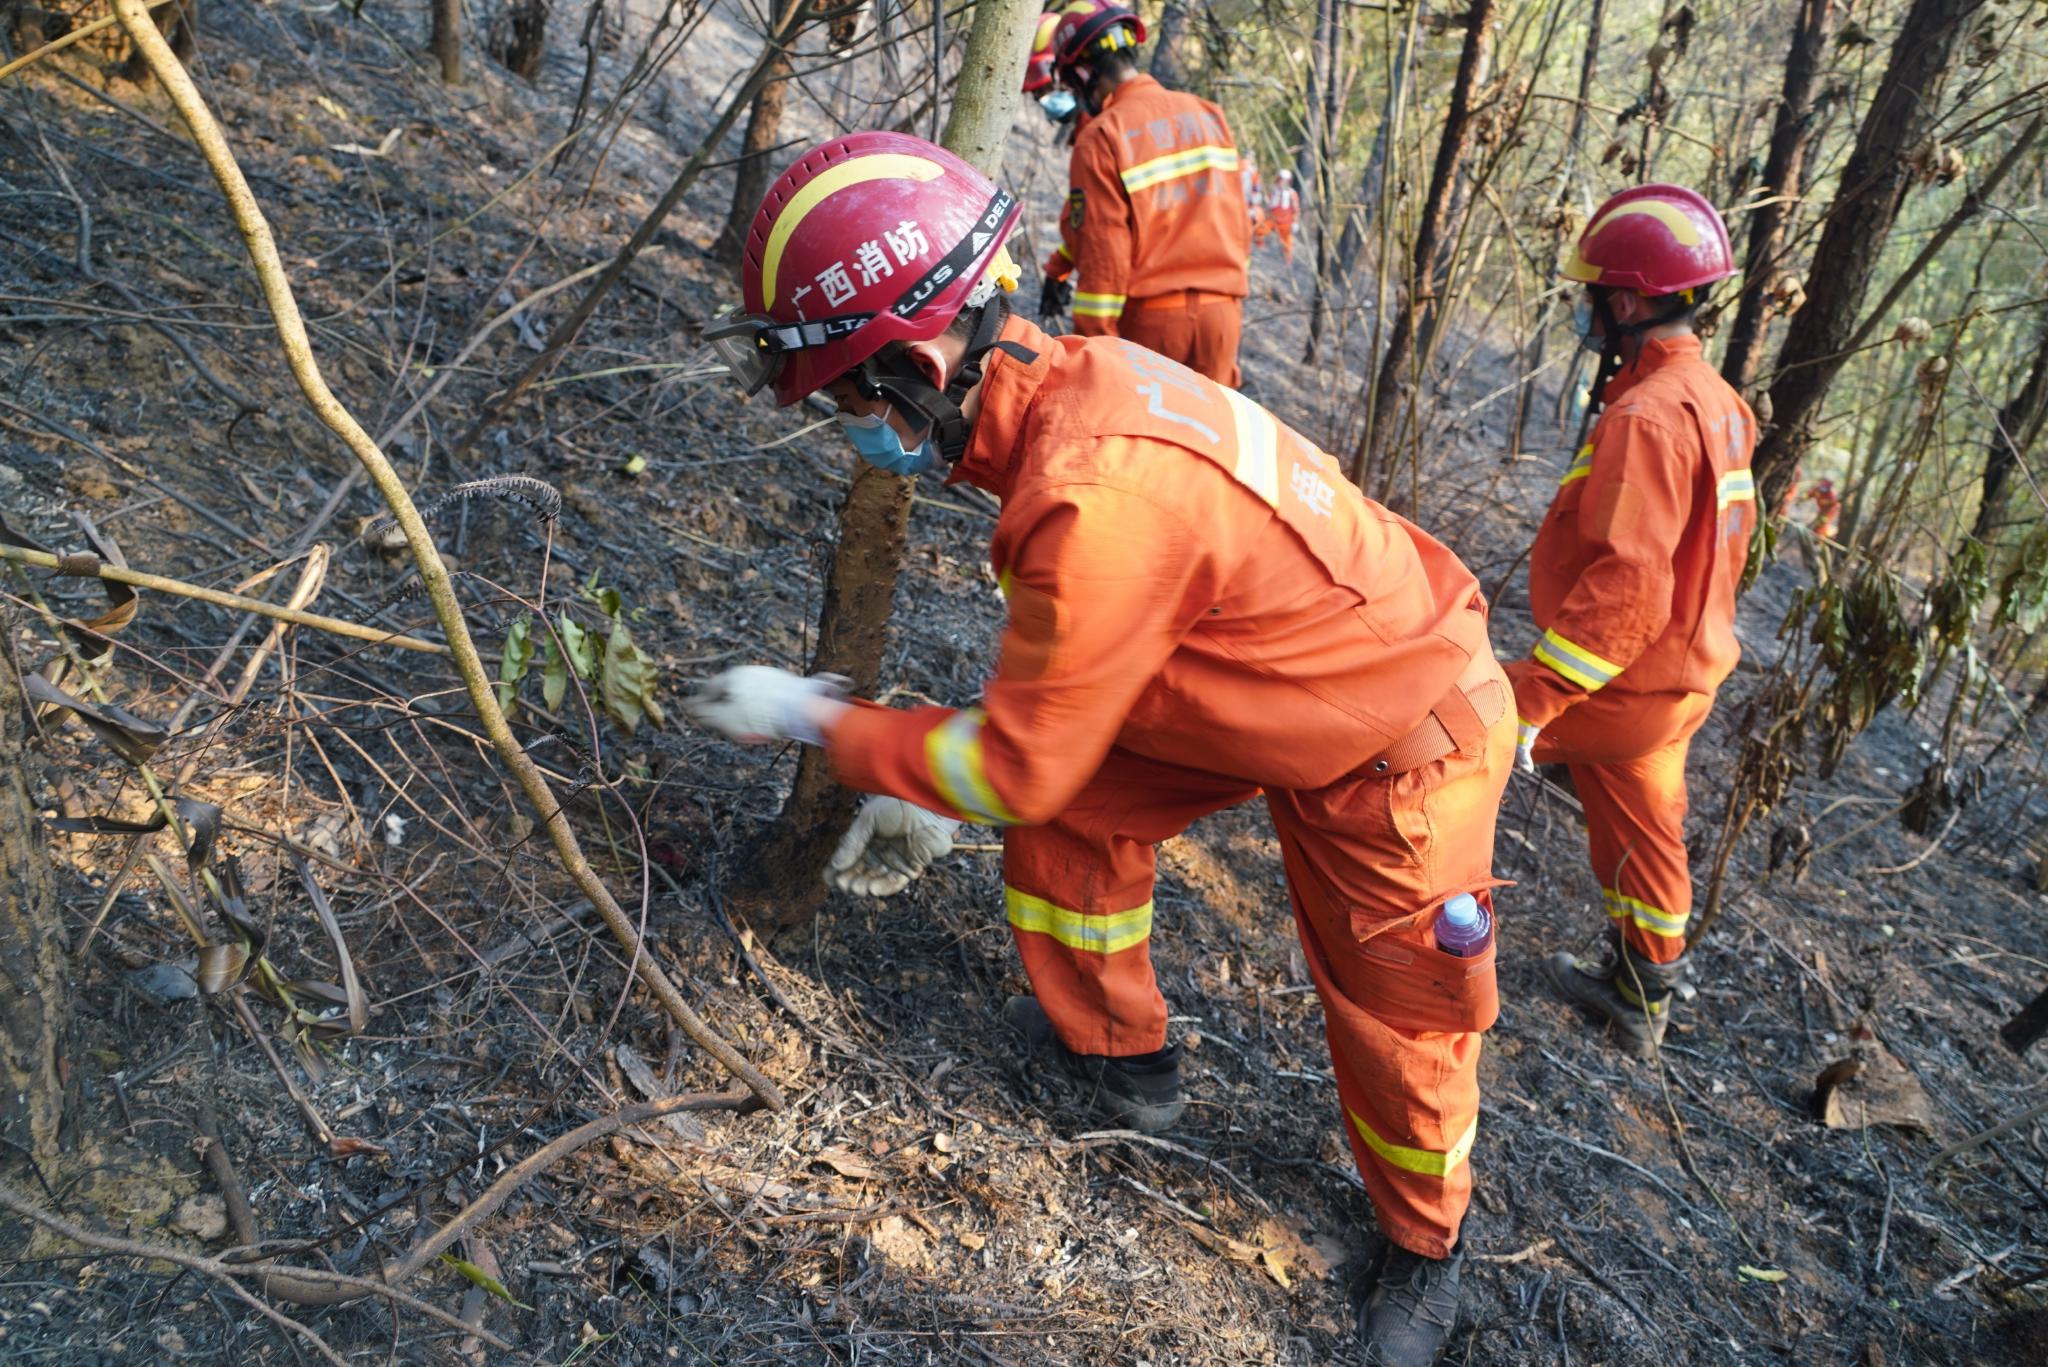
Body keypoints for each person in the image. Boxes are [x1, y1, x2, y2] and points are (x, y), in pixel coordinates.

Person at [694, 132, 1513, 1365]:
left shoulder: (1091, 492)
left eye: (849, 400)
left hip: (1398, 735)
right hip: (1248, 678)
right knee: (1074, 813)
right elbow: (1062, 711)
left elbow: (1018, 756)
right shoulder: (1069, 389)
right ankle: (1122, 1057)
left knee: (1399, 1016)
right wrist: (954, 766)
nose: (850, 428)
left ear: (915, 368)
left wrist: (823, 721)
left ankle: (1428, 1246)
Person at [1512, 185, 1756, 1059]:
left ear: (1624, 303)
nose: (1587, 311)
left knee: (1449, 723)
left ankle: (1419, 935)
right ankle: (1640, 997)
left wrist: (1533, 700)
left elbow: (1629, 590)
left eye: (1593, 295)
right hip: (1683, 677)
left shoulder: (1648, 417)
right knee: (1645, 832)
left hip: (1624, 680)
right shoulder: (1719, 401)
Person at [1045, 0, 1249, 385]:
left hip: (1152, 327)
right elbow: (1239, 223)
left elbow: (1104, 256)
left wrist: (1094, 352)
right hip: (1222, 321)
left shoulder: (1102, 136)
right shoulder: (1209, 114)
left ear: (1083, 71)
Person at [1024, 3, 1087, 328]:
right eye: (1039, 96)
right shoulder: (1089, 130)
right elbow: (1085, 219)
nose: (1046, 102)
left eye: (1047, 90)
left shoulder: (1104, 133)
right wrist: (1058, 268)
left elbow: (1106, 231)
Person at [1267, 167, 1300, 263]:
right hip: (1272, 220)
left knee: (1287, 242)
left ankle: (1287, 260)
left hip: (1286, 222)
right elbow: (1268, 206)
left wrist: (1295, 222)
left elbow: (1296, 209)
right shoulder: (1273, 192)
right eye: (1281, 180)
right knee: (1262, 231)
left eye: (1285, 181)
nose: (1283, 183)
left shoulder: (1292, 194)